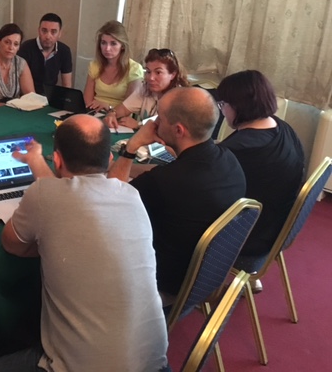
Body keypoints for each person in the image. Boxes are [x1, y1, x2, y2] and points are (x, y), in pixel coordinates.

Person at [0, 115, 169, 372]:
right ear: (109, 159)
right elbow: (65, 192)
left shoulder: (43, 194)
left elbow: (12, 245)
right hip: (155, 362)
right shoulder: (130, 194)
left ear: (57, 160)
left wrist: (50, 242)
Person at [108, 87, 246, 300]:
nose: (154, 124)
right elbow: (170, 172)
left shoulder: (164, 182)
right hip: (207, 276)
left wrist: (132, 147)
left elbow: (110, 200)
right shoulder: (229, 159)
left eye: (159, 119)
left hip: (161, 285)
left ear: (179, 130)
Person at [217, 70, 305, 258]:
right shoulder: (283, 127)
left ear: (238, 106)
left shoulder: (239, 149)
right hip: (279, 225)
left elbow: (207, 190)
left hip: (249, 236)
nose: (222, 111)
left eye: (223, 104)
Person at [105, 48, 189, 130]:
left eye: (158, 72)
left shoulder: (180, 99)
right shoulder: (145, 89)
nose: (151, 78)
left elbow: (169, 131)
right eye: (148, 72)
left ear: (173, 75)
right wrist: (112, 114)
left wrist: (138, 125)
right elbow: (123, 109)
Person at [83, 20, 143, 111]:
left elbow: (130, 107)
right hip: (94, 112)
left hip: (119, 116)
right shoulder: (95, 65)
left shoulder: (134, 69)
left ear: (122, 46)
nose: (107, 48)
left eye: (113, 43)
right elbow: (87, 100)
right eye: (103, 43)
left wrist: (108, 107)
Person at [17, 13, 73, 95]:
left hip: (50, 97)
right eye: (44, 31)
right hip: (27, 96)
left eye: (53, 32)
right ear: (38, 30)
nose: (48, 36)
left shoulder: (64, 51)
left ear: (60, 33)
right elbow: (20, 82)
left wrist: (65, 100)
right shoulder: (25, 48)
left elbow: (67, 85)